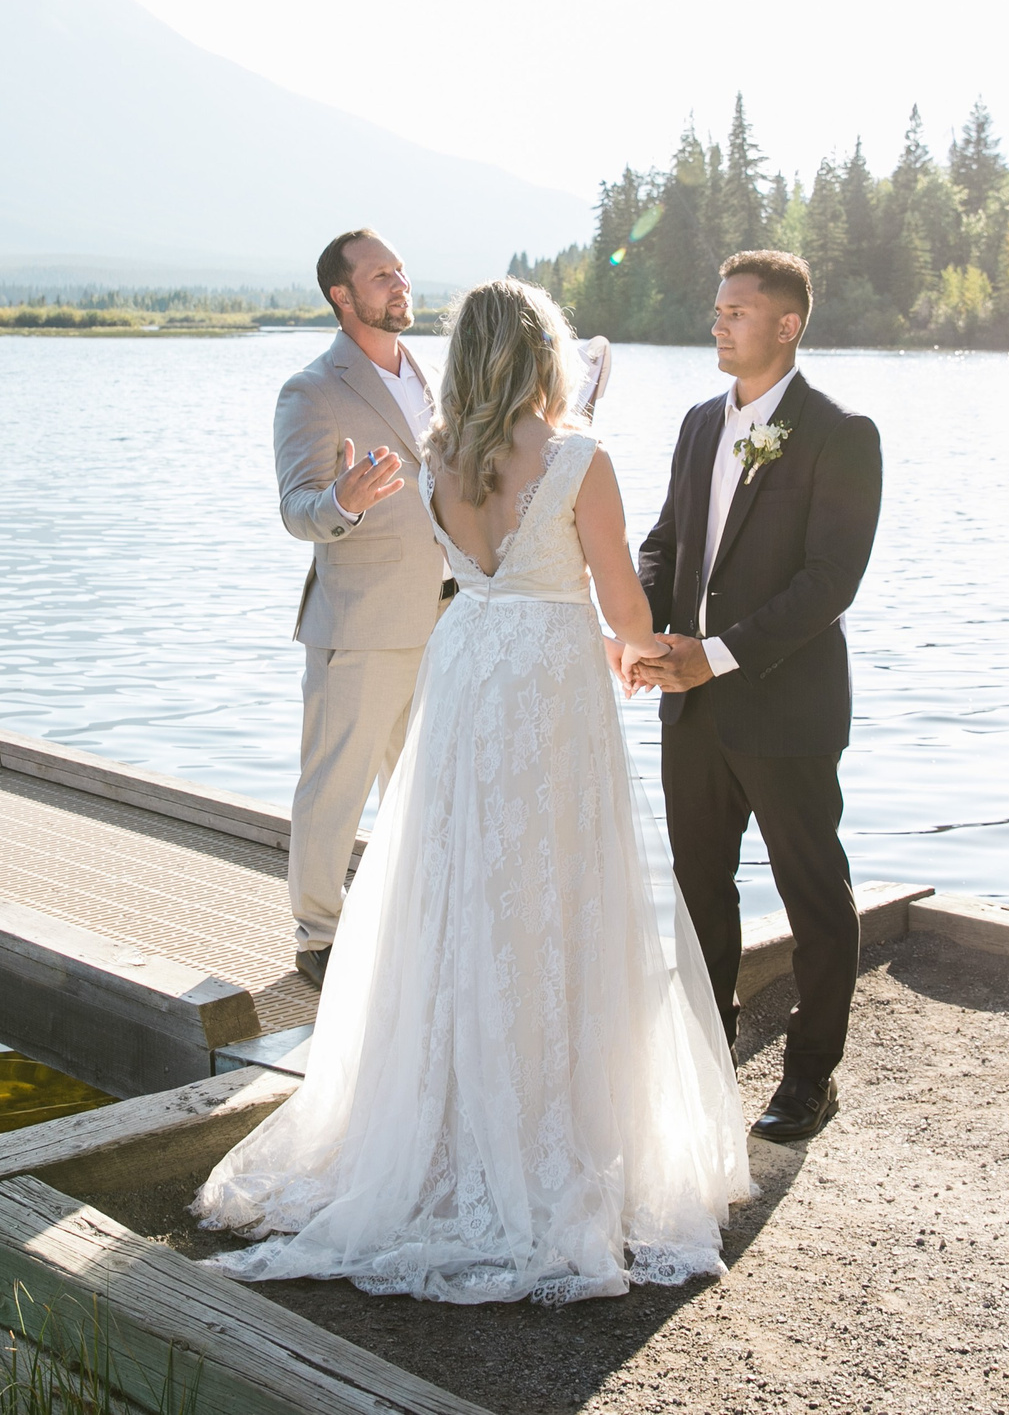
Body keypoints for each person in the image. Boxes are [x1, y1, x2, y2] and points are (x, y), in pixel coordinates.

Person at [200, 277, 753, 1305]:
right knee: (557, 889)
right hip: (547, 680)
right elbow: (625, 611)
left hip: (467, 667)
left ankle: (452, 1122)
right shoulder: (580, 460)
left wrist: (582, 630)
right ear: (542, 355)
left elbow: (480, 577)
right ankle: (550, 1128)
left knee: (456, 885)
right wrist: (653, 655)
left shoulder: (436, 458)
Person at [631, 250, 883, 1144]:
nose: (719, 321)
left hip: (786, 710)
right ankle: (705, 1065)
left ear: (787, 325)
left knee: (814, 892)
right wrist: (643, 630)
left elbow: (829, 583)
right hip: (691, 713)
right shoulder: (701, 424)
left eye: (737, 310)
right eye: (717, 307)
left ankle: (811, 1077)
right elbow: (664, 543)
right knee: (699, 891)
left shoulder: (841, 433)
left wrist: (720, 655)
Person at [271, 229, 452, 988]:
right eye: (382, 275)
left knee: (425, 789)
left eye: (401, 269)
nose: (399, 282)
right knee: (335, 785)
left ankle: (412, 922)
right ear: (343, 296)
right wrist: (340, 502)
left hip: (445, 620)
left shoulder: (427, 376)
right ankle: (318, 935)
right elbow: (296, 507)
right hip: (360, 621)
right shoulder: (311, 390)